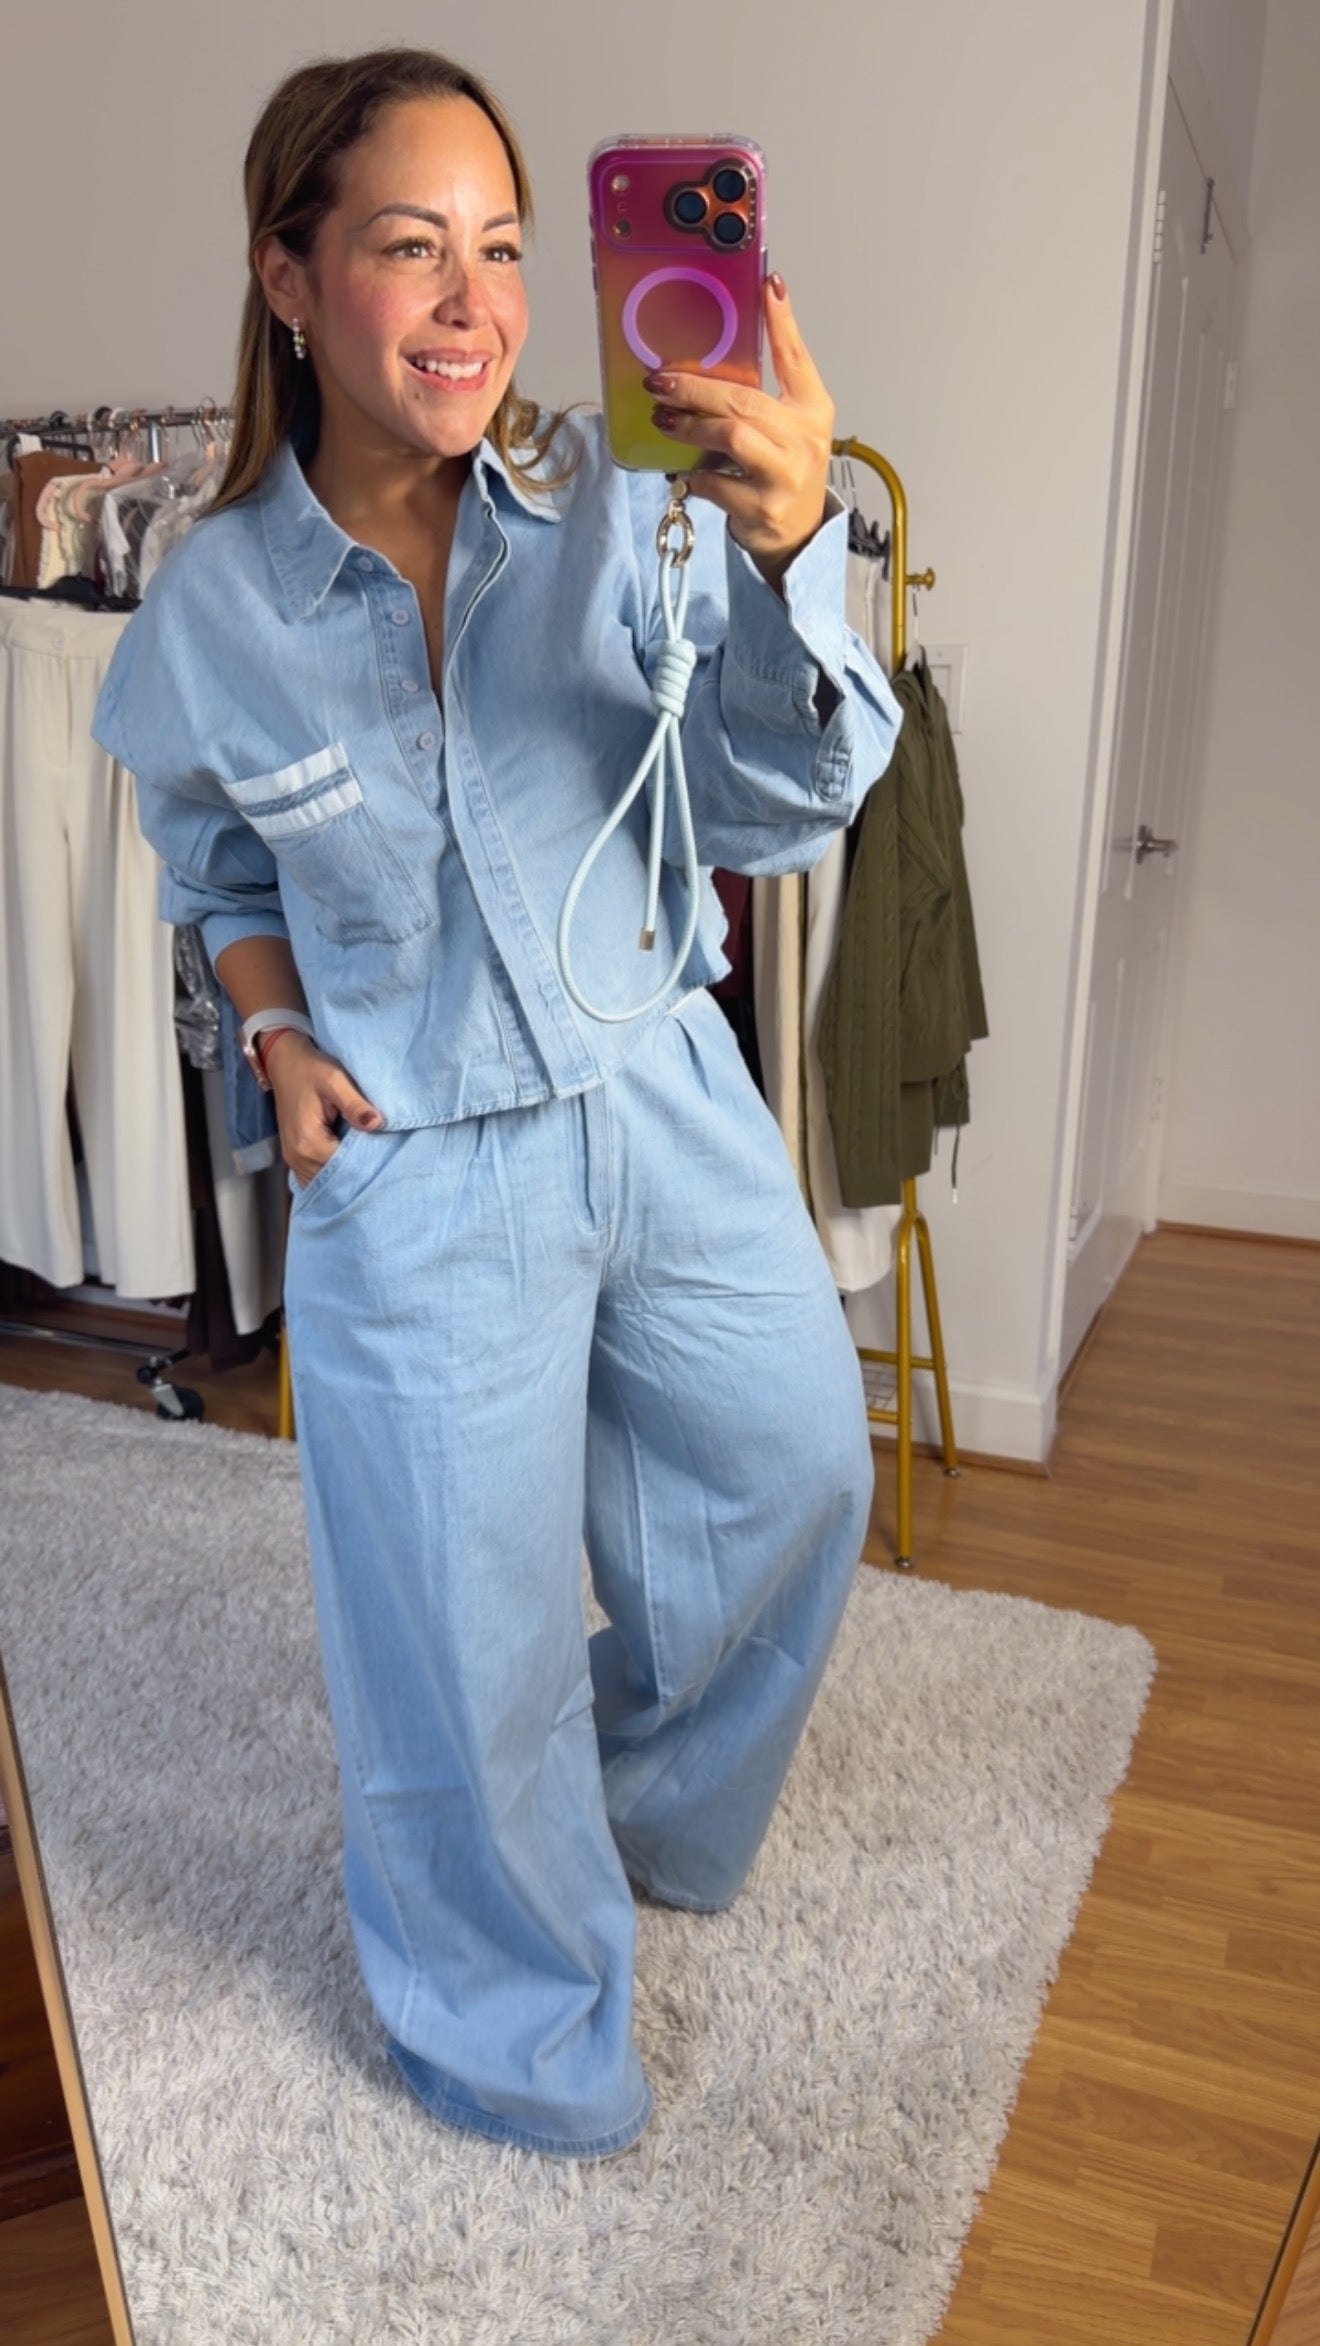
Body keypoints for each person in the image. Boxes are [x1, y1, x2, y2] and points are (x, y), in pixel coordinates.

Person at [91, 46, 903, 2160]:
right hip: (419, 1156)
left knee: (793, 1474)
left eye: (507, 249)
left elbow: (779, 800)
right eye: (410, 247)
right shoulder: (214, 603)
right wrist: (278, 1038)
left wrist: (790, 549)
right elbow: (216, 863)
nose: (475, 304)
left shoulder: (623, 513)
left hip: (657, 1081)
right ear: (290, 277)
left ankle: (636, 1814)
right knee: (462, 1644)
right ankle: (514, 2039)